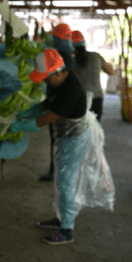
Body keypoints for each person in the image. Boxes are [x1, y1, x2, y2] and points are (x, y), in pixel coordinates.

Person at [10, 49, 91, 245]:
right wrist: (31, 111)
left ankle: (67, 229)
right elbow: (49, 104)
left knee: (66, 181)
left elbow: (50, 117)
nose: (45, 82)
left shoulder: (72, 88)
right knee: (61, 180)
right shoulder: (58, 82)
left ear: (58, 73)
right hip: (65, 135)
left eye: (46, 78)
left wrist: (24, 125)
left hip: (75, 138)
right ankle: (61, 218)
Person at [39, 23, 76, 182]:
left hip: (59, 104)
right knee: (60, 140)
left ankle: (56, 171)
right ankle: (59, 170)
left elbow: (55, 81)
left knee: (58, 140)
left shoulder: (60, 57)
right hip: (60, 102)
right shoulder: (68, 55)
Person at [72, 30, 114, 121]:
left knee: (80, 128)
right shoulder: (96, 56)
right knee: (95, 127)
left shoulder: (72, 61)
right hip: (96, 98)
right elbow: (110, 71)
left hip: (80, 100)